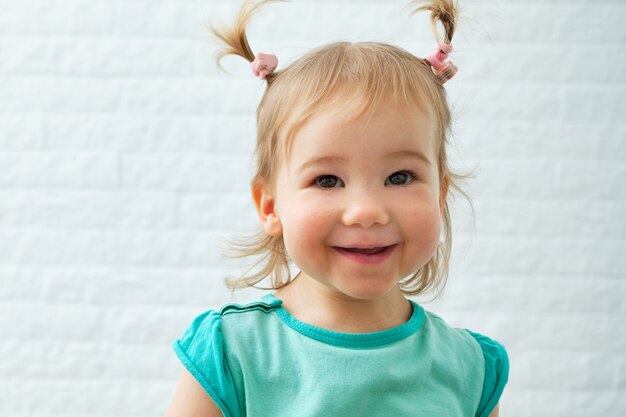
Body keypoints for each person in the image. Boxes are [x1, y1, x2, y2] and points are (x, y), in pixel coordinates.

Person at [164, 0, 509, 416]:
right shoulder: (232, 354)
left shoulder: (467, 368)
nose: (366, 211)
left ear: (439, 194)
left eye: (400, 177)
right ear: (271, 206)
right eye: (327, 180)